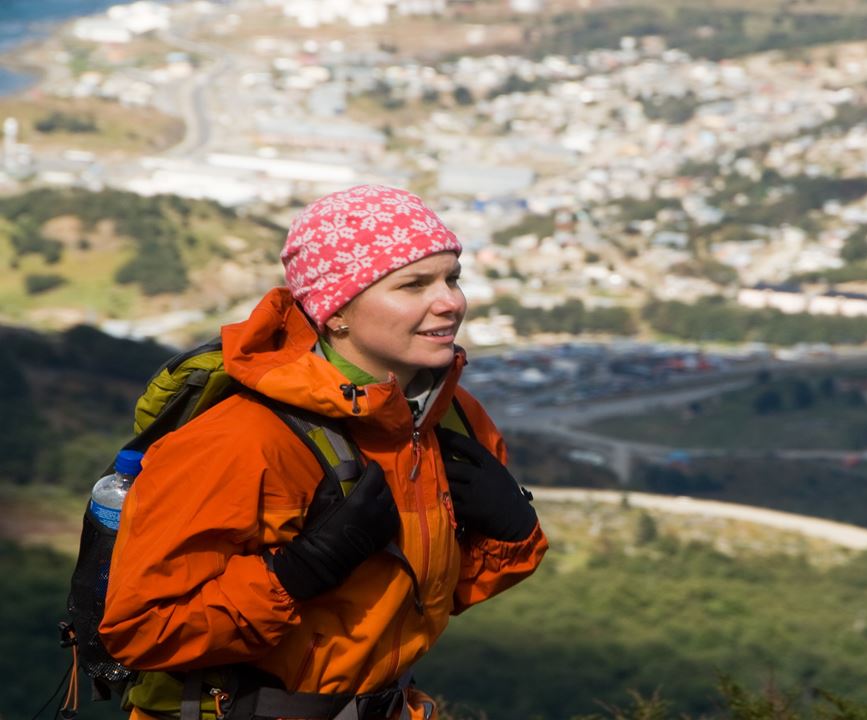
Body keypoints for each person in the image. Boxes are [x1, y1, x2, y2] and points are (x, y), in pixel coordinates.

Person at [98, 184, 548, 720]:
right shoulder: (243, 438)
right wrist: (296, 574)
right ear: (337, 313)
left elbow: (436, 596)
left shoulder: (451, 419)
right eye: (414, 284)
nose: (450, 300)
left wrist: (513, 530)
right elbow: (144, 631)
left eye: (452, 278)